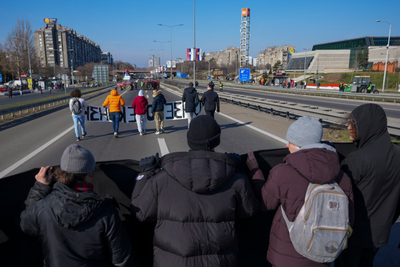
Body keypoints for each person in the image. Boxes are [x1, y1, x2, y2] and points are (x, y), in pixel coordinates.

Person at [131, 115, 259, 267]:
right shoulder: (236, 179)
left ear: (189, 139)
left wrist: (144, 174)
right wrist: (241, 168)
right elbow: (250, 210)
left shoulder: (162, 178)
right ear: (217, 140)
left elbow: (141, 212)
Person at [246, 116, 354, 267]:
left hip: (287, 256)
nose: (286, 144)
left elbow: (265, 204)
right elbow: (348, 219)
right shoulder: (343, 177)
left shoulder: (282, 172)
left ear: (298, 144)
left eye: (290, 141)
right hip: (323, 255)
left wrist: (255, 171)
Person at [20, 144, 134, 267]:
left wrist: (40, 187)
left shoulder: (42, 207)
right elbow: (121, 260)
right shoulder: (106, 212)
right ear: (90, 174)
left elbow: (24, 224)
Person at [335, 103, 400, 267]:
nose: (349, 127)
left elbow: (337, 197)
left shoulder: (358, 160)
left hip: (353, 235)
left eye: (354, 124)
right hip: (380, 233)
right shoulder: (397, 153)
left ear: (367, 125)